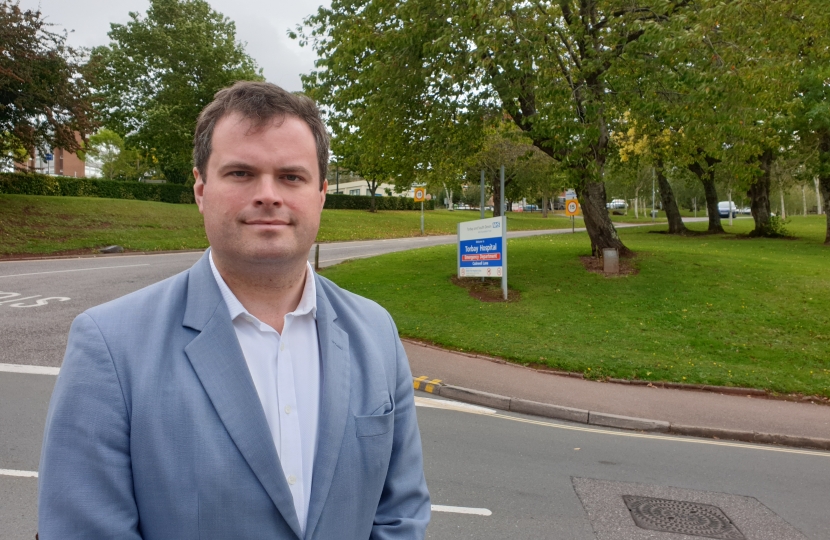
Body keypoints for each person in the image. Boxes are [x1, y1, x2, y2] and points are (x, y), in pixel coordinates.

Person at [38, 81, 430, 539]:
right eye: (241, 173)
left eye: (291, 176)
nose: (269, 194)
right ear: (201, 190)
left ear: (321, 193)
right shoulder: (110, 345)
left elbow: (400, 513)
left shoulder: (375, 331)